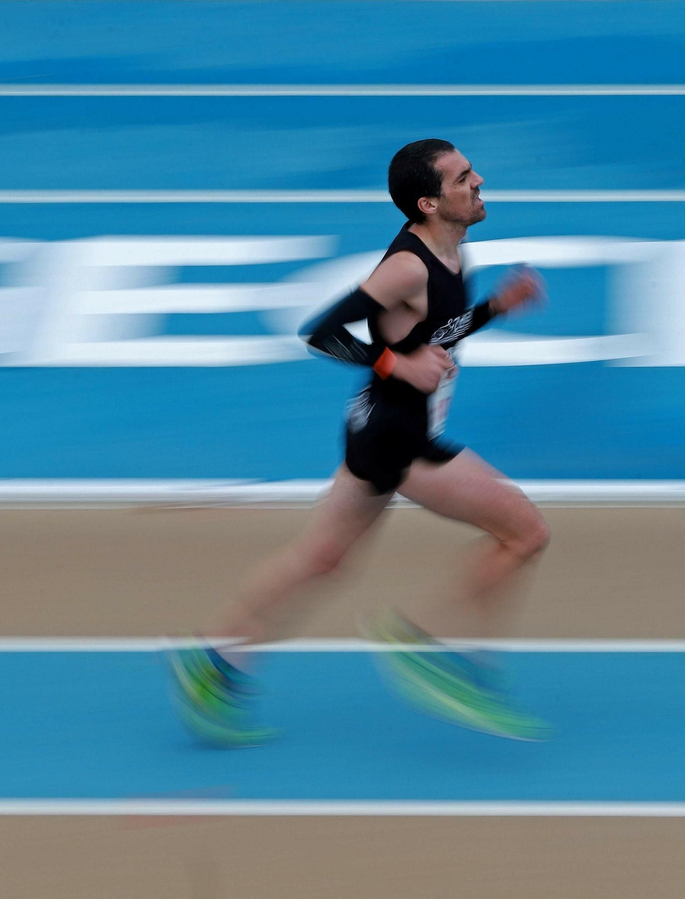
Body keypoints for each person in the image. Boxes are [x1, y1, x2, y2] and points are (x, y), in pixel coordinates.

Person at [169, 139, 553, 746]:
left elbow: (437, 328)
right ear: (429, 202)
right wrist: (395, 367)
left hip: (375, 428)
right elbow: (319, 332)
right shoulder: (407, 266)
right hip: (400, 436)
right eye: (463, 178)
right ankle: (427, 644)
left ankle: (216, 660)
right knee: (525, 532)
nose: (479, 181)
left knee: (320, 560)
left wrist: (495, 309)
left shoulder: (451, 246)